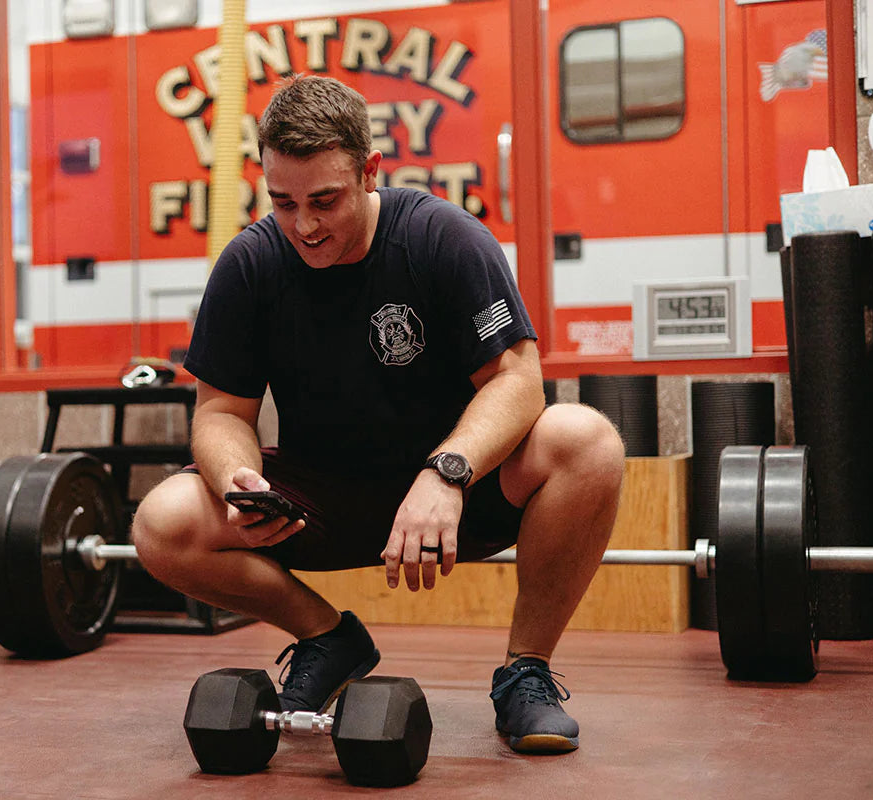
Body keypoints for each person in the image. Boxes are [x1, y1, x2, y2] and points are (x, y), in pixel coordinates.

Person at [131, 75, 625, 755]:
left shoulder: (441, 238)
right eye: (284, 203)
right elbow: (219, 410)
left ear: (369, 172)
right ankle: (327, 640)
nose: (304, 225)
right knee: (161, 523)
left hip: (457, 498)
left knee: (587, 441)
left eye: (325, 201)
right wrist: (236, 478)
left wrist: (447, 474)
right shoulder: (251, 265)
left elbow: (518, 382)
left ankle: (524, 675)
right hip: (320, 498)